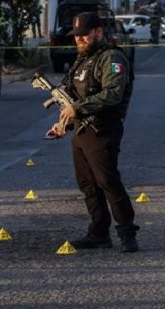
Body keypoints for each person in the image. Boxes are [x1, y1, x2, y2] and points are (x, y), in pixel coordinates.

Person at [47, 13, 139, 253]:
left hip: (103, 129)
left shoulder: (112, 58)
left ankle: (127, 232)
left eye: (84, 34)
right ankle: (99, 233)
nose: (79, 39)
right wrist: (63, 124)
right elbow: (72, 99)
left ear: (98, 32)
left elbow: (112, 94)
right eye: (76, 36)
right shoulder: (82, 60)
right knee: (88, 184)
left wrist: (77, 109)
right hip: (81, 130)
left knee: (107, 181)